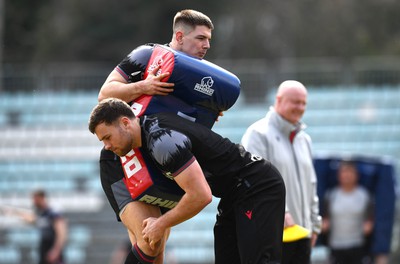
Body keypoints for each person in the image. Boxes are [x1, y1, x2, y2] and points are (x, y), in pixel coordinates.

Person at [96, 9, 240, 264]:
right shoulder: (146, 55)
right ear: (180, 35)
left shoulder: (201, 77)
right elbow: (105, 94)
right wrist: (143, 86)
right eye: (200, 38)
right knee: (150, 241)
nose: (206, 45)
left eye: (209, 39)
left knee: (156, 246)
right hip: (123, 159)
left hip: (161, 164)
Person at [88, 98, 286, 264]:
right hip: (233, 194)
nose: (106, 146)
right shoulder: (148, 135)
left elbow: (201, 196)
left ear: (125, 123)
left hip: (257, 185)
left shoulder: (161, 141)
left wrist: (161, 224)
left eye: (107, 137)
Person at [241, 80, 322, 264]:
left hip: (303, 233)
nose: (300, 107)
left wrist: (314, 225)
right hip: (273, 233)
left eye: (303, 103)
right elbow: (254, 182)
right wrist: (282, 214)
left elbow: (311, 184)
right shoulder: (257, 134)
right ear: (279, 100)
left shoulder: (304, 140)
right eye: (295, 102)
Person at [321, 160, 374, 264]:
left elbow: (370, 217)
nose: (347, 176)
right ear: (339, 175)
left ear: (356, 175)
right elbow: (325, 217)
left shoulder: (364, 196)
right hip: (336, 245)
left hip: (357, 245)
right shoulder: (331, 195)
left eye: (350, 172)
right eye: (344, 172)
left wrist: (369, 225)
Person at [10, 189, 68, 264]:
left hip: (53, 248)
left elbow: (62, 233)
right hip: (44, 247)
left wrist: (56, 250)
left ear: (42, 198)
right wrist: (15, 213)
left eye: (35, 199)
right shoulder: (41, 213)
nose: (34, 202)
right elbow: (32, 219)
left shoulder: (53, 212)